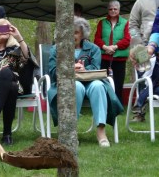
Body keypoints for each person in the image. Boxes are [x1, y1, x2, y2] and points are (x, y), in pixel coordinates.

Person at [48, 16, 123, 147]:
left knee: (99, 85)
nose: (72, 35)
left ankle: (101, 131)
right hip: (66, 84)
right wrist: (70, 69)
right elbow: (53, 72)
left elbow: (95, 68)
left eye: (75, 32)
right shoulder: (57, 49)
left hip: (90, 81)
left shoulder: (93, 48)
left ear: (82, 34)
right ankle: (71, 132)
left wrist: (83, 68)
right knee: (76, 86)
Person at [129, 0, 159, 122]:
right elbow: (133, 25)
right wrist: (139, 45)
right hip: (144, 47)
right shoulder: (141, 1)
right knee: (143, 77)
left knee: (156, 80)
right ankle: (139, 113)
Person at [94, 0, 130, 102]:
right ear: (108, 10)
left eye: (115, 9)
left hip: (119, 58)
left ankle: (118, 105)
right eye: (110, 9)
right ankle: (105, 102)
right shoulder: (102, 22)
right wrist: (105, 47)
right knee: (103, 81)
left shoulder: (125, 23)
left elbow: (127, 39)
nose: (113, 11)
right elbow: (97, 39)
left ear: (119, 10)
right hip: (104, 58)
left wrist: (114, 47)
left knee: (119, 82)